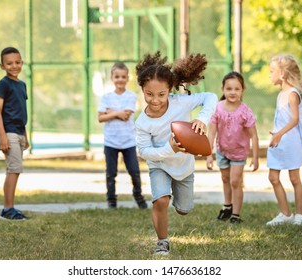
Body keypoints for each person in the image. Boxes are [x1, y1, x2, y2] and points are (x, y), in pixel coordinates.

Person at [135, 51, 218, 255]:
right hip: (160, 165)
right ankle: (162, 242)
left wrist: (202, 119)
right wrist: (168, 149)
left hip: (183, 166)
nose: (155, 100)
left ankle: (177, 200)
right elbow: (145, 152)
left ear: (169, 90)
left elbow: (211, 97)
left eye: (161, 94)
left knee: (183, 210)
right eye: (149, 94)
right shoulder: (142, 122)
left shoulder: (180, 102)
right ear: (142, 90)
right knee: (161, 200)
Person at [266, 54, 302, 226]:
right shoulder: (280, 94)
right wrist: (276, 135)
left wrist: (279, 133)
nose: (269, 74)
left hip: (290, 142)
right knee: (273, 177)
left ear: (282, 74)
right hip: (278, 143)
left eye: (272, 71)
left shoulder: (292, 94)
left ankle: (300, 215)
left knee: (294, 179)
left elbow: (294, 119)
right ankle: (285, 214)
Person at [206, 71, 259, 224]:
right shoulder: (218, 108)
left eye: (237, 89)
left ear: (242, 90)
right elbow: (211, 133)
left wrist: (255, 158)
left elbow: (254, 136)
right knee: (225, 179)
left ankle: (236, 214)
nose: (233, 92)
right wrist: (209, 154)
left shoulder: (245, 111)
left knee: (235, 181)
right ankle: (227, 207)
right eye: (229, 89)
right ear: (223, 89)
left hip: (239, 153)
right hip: (222, 151)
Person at [97, 62, 148, 209]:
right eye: (117, 76)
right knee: (110, 174)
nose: (120, 79)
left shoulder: (131, 96)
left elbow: (126, 115)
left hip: (128, 142)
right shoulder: (106, 97)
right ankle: (111, 201)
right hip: (110, 142)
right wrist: (116, 113)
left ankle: (139, 197)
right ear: (112, 78)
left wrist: (110, 112)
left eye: (123, 77)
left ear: (127, 78)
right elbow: (100, 118)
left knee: (134, 172)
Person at [0, 47, 29, 220]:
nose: (14, 66)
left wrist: (26, 136)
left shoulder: (22, 85)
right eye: (9, 63)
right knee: (14, 170)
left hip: (19, 133)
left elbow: (21, 111)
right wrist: (2, 135)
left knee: (14, 171)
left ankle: (10, 208)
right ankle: (7, 209)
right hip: (8, 133)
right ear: (2, 66)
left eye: (17, 62)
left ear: (21, 63)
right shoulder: (3, 84)